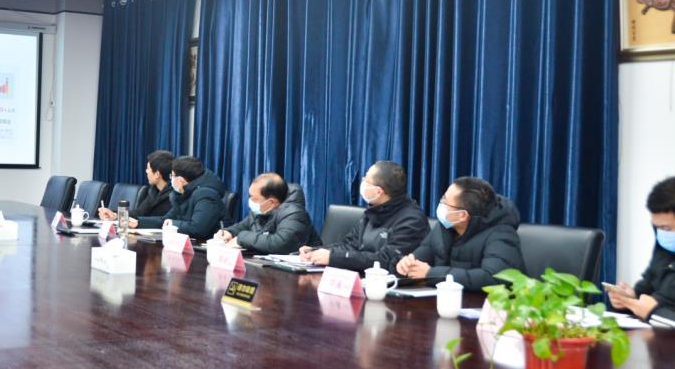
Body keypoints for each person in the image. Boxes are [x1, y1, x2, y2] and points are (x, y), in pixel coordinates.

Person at [396, 176, 524, 291]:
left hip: (486, 306)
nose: (440, 203)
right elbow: (421, 257)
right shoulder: (444, 227)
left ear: (462, 215)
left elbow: (494, 278)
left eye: (445, 201)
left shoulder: (501, 234)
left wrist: (431, 274)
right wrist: (407, 264)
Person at [299, 161, 428, 271]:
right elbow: (350, 245)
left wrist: (332, 258)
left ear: (378, 191)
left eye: (366, 180)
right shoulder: (374, 210)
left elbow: (385, 260)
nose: (362, 182)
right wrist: (317, 252)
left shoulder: (412, 220)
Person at [607, 176, 675, 322]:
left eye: (666, 228)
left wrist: (653, 313)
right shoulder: (665, 248)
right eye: (657, 227)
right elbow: (648, 285)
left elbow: (652, 309)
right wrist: (630, 298)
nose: (661, 234)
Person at [217, 173, 321, 255]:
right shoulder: (261, 210)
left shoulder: (294, 213)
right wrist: (229, 232)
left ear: (271, 202)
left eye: (254, 198)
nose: (250, 201)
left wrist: (241, 238)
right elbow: (242, 226)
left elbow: (281, 244)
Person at [133, 156, 225, 239]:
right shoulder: (182, 193)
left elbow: (198, 228)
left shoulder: (207, 195)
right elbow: (165, 220)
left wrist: (173, 223)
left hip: (208, 247)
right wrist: (137, 222)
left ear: (180, 180)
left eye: (172, 176)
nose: (171, 179)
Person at [98, 150, 174, 220]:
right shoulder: (153, 191)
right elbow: (138, 213)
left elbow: (162, 221)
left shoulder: (174, 196)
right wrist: (115, 215)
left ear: (157, 174)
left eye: (148, 169)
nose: (146, 171)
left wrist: (137, 223)